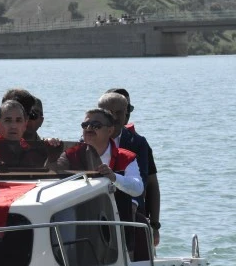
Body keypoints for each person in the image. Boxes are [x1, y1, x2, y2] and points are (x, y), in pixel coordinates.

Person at [54, 107, 143, 257]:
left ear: (110, 131)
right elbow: (50, 176)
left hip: (118, 228)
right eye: (85, 125)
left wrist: (113, 177)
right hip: (79, 227)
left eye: (96, 125)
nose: (89, 128)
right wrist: (51, 153)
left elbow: (138, 188)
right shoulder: (69, 155)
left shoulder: (126, 157)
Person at [104, 88, 161, 247]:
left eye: (126, 109)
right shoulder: (88, 140)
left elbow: (149, 183)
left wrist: (154, 225)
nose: (117, 116)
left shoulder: (138, 143)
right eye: (111, 111)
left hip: (132, 215)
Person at [0, 100, 61, 169]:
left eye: (18, 120)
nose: (13, 126)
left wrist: (52, 159)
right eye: (8, 120)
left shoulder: (33, 152)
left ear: (24, 125)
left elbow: (46, 179)